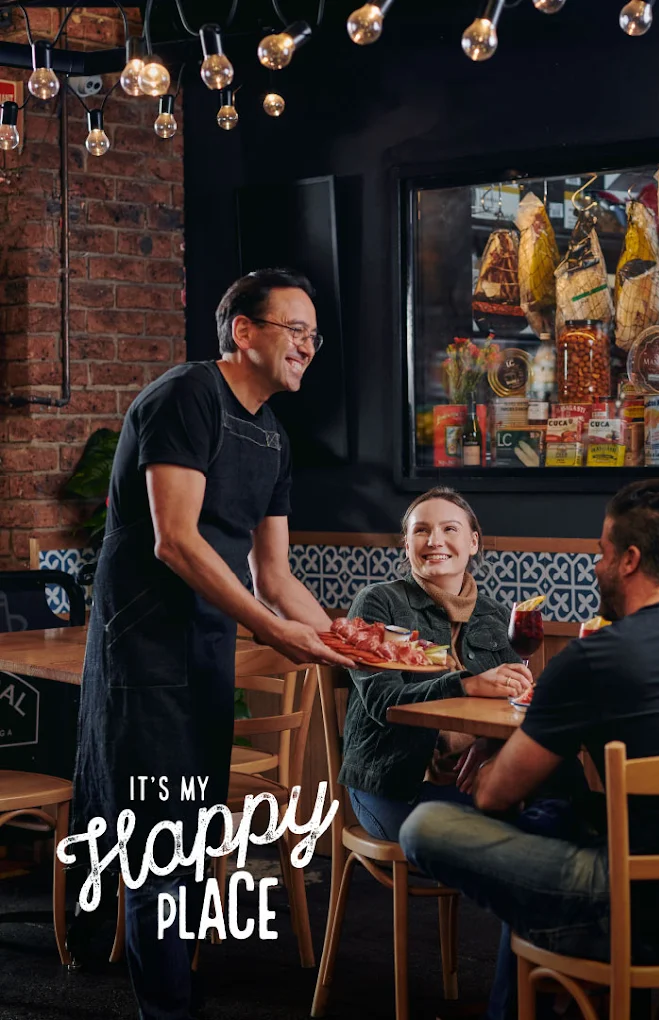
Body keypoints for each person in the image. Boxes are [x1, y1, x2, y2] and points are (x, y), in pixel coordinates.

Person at [69, 268, 353, 1020]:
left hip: (203, 652)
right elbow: (174, 541)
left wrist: (349, 640)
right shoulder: (186, 397)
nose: (308, 347)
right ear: (244, 330)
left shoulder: (272, 436)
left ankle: (177, 992)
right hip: (143, 653)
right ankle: (167, 1009)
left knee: (191, 842)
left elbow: (275, 572)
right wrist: (271, 629)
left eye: (314, 336)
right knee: (159, 847)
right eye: (295, 330)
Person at [400, 476, 659, 1015]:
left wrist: (489, 760)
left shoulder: (594, 659)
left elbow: (492, 797)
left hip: (638, 911)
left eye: (601, 553)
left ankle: (551, 987)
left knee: (427, 827)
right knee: (555, 814)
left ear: (630, 560)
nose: (595, 566)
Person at [340, 486, 532, 841]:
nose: (434, 540)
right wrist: (466, 683)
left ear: (473, 542)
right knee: (515, 833)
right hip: (394, 784)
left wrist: (491, 747)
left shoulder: (496, 615)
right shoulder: (377, 603)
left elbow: (519, 705)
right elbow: (384, 702)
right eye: (421, 530)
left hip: (477, 779)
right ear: (407, 543)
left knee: (558, 804)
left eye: (449, 529)